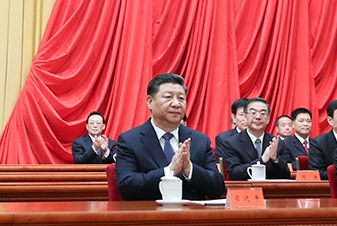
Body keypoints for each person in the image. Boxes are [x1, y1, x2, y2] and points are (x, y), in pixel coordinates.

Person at [115, 73, 225, 201]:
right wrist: (169, 171)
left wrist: (189, 169)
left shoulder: (200, 140)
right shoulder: (130, 140)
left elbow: (218, 188)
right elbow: (127, 187)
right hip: (150, 211)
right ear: (150, 102)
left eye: (181, 98)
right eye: (168, 97)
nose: (176, 104)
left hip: (192, 212)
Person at [223, 98, 291, 180]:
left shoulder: (277, 143)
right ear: (245, 116)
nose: (258, 117)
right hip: (246, 188)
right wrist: (261, 160)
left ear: (268, 118)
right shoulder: (231, 143)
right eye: (253, 113)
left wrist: (275, 159)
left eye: (263, 113)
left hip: (270, 188)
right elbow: (234, 174)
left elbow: (286, 176)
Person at [215, 98, 249, 162]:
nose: (245, 119)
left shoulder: (259, 136)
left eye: (248, 114)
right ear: (234, 117)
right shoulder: (223, 139)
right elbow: (222, 163)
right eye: (241, 115)